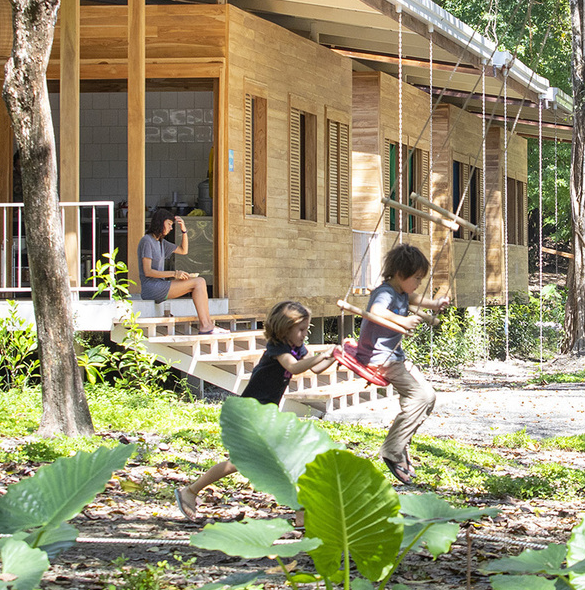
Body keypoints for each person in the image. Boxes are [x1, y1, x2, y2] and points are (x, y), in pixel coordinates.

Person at [175, 300, 334, 520]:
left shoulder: (296, 347)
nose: (304, 334)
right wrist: (322, 355)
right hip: (250, 414)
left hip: (265, 416)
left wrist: (335, 356)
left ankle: (302, 515)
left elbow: (315, 368)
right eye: (301, 330)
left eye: (306, 329)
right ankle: (190, 491)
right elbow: (294, 367)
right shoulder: (278, 348)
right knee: (242, 462)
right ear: (284, 329)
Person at [354, 243, 449, 485]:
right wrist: (402, 321)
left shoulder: (401, 292)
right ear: (399, 274)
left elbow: (415, 298)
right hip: (379, 358)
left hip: (394, 357)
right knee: (421, 398)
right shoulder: (385, 292)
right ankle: (392, 450)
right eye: (416, 277)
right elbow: (376, 311)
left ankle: (401, 443)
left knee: (428, 396)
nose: (418, 282)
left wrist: (435, 305)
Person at [139, 206, 220, 334]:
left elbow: (184, 250)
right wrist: (175, 274)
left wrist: (184, 231)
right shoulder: (147, 241)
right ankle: (205, 325)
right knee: (198, 282)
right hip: (151, 288)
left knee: (200, 282)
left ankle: (208, 324)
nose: (171, 228)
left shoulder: (161, 242)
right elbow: (147, 271)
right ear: (161, 222)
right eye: (169, 224)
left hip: (160, 286)